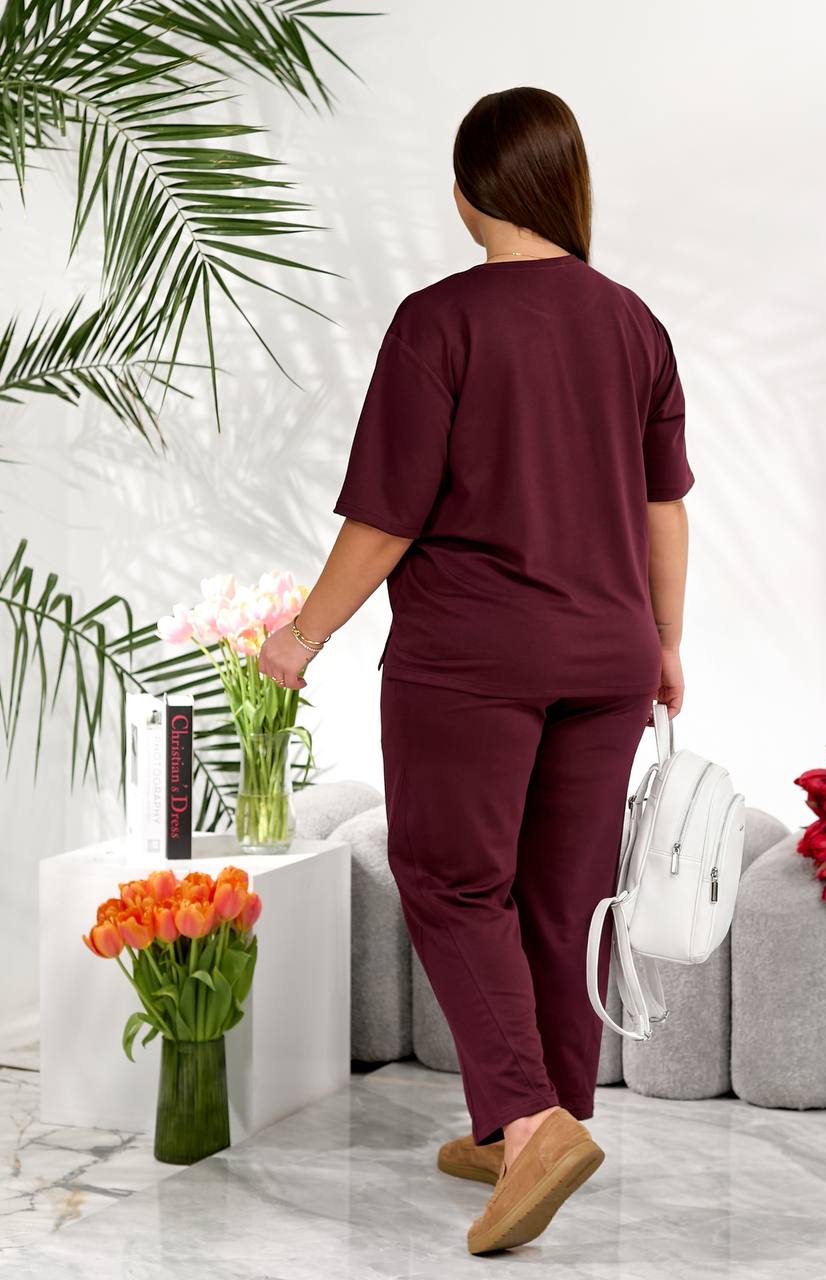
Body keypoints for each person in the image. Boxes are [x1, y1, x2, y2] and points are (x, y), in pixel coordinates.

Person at [258, 85, 693, 1256]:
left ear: (466, 194)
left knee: (452, 877)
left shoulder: (438, 321)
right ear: (565, 187)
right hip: (608, 652)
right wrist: (665, 639)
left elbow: (387, 515)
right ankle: (531, 1125)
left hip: (473, 656)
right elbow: (664, 504)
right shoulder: (633, 323)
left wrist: (301, 635)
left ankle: (530, 1122)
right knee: (561, 893)